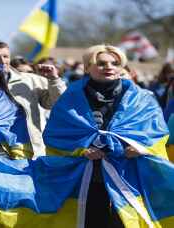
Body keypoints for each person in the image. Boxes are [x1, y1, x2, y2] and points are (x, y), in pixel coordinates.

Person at [43, 44, 170, 228]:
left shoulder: (142, 98)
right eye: (101, 63)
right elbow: (56, 136)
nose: (109, 67)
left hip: (130, 175)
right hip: (86, 178)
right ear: (87, 67)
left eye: (115, 63)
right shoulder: (69, 98)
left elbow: (157, 133)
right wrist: (82, 150)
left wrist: (141, 148)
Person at [0, 39, 66, 156]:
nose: (3, 61)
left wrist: (54, 80)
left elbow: (58, 104)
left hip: (29, 150)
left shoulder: (30, 80)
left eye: (6, 56)